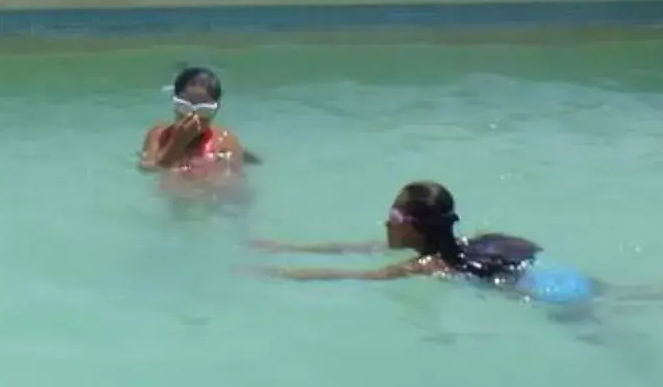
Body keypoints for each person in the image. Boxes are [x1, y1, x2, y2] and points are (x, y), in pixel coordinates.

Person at [262, 181, 593, 303]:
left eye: (393, 215)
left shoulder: (428, 263)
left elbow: (360, 276)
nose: (385, 221)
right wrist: (284, 248)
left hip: (547, 296)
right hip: (552, 274)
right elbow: (361, 248)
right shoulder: (451, 244)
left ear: (414, 229)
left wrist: (281, 274)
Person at [140, 64, 250, 175]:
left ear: (216, 109)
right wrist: (177, 142)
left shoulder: (224, 143)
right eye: (184, 106)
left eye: (203, 110)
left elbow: (232, 184)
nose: (193, 116)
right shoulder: (158, 136)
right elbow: (148, 170)